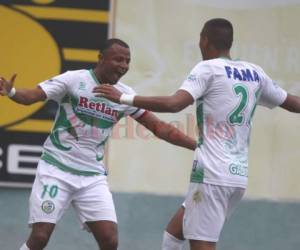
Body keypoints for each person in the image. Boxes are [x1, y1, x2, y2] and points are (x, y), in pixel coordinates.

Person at [94, 19, 300, 250]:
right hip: (237, 176)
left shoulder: (208, 68)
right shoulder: (254, 73)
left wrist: (122, 97)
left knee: (201, 244)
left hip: (212, 174)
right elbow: (293, 104)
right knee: (173, 235)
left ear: (204, 40)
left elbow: (174, 104)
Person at [0, 38, 197, 250]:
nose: (124, 65)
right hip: (56, 169)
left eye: (128, 61)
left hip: (91, 176)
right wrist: (12, 92)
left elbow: (160, 128)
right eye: (118, 59)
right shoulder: (73, 80)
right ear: (101, 58)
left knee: (110, 240)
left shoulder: (125, 96)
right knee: (40, 237)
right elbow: (32, 96)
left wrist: (198, 146)